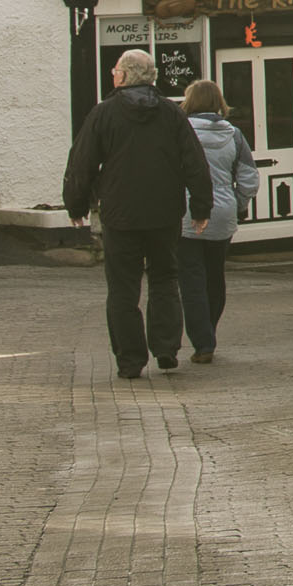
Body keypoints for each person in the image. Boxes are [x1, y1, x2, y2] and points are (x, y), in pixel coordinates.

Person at [64, 50, 215, 378]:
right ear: (152, 76)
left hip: (120, 214)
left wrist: (76, 205)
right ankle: (165, 348)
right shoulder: (171, 114)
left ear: (122, 76)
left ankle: (130, 360)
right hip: (164, 211)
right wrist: (201, 207)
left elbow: (82, 163)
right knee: (164, 277)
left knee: (123, 287)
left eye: (115, 70)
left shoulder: (104, 114)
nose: (112, 74)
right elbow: (194, 162)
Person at [179, 79, 259, 366]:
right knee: (215, 277)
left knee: (191, 281)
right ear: (218, 102)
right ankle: (209, 331)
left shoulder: (181, 132)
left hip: (186, 215)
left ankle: (203, 342)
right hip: (223, 214)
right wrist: (239, 204)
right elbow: (249, 177)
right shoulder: (235, 135)